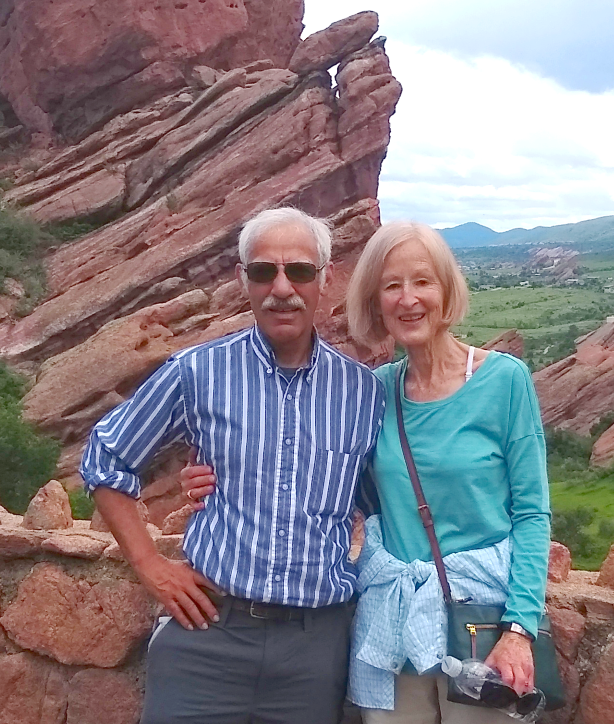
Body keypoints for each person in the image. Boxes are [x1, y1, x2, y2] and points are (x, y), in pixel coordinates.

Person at [82, 207, 386, 724]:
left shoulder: (362, 394)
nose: (282, 288)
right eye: (264, 271)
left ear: (326, 279)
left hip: (315, 652)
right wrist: (151, 566)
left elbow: (387, 502)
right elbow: (106, 457)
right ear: (243, 279)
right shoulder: (198, 372)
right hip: (208, 637)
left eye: (300, 271)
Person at [344, 221, 551, 723]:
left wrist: (520, 629)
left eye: (422, 282)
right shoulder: (376, 391)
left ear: (446, 290)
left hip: (480, 628)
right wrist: (217, 479)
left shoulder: (504, 380)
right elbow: (320, 473)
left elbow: (532, 514)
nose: (408, 299)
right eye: (391, 285)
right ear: (375, 302)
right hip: (394, 624)